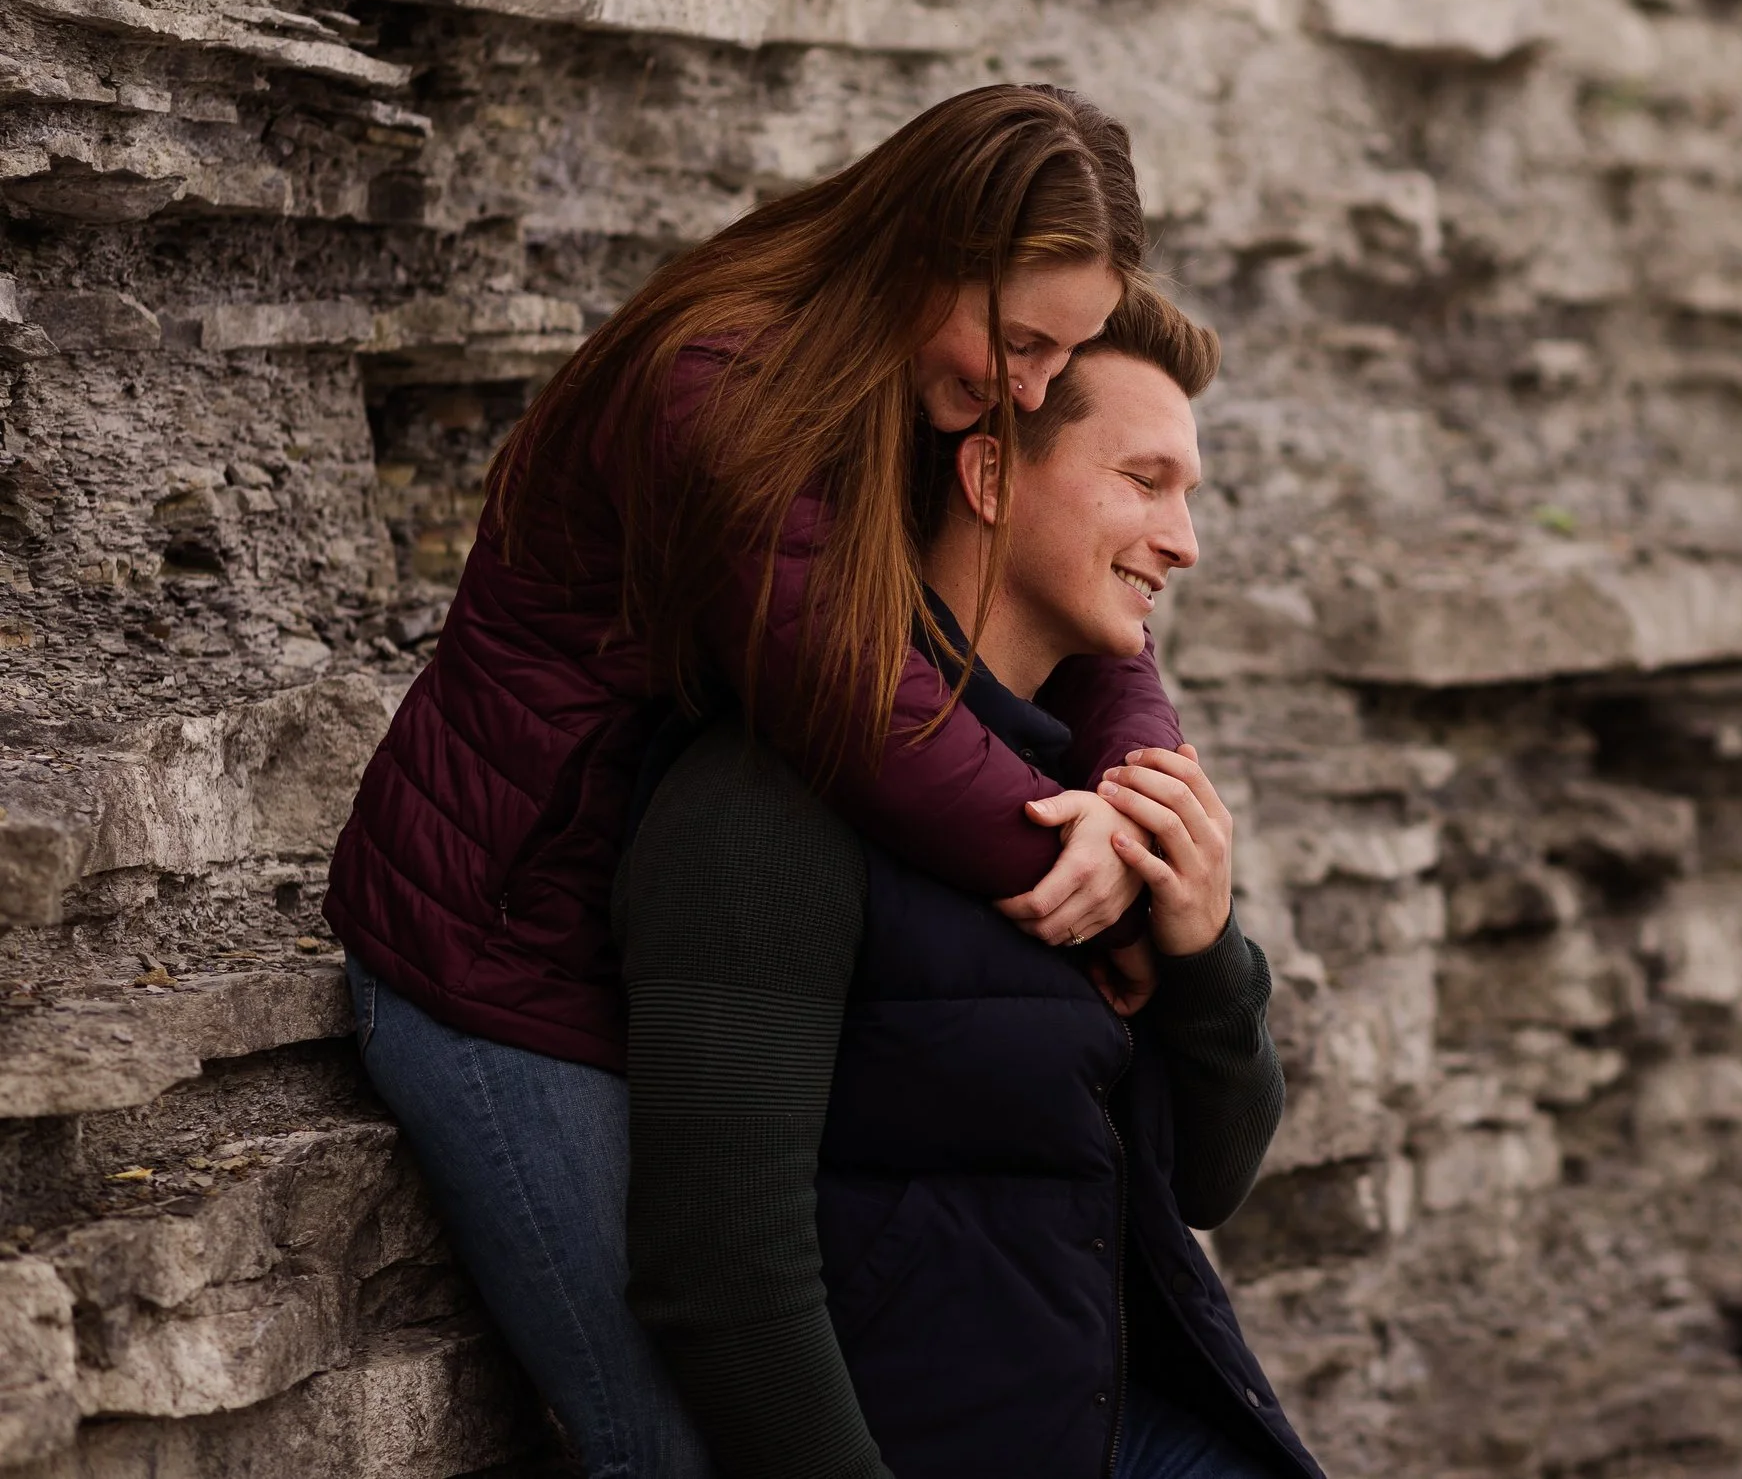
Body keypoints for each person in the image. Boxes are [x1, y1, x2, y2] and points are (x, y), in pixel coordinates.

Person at [327, 85, 1186, 1477]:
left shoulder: (919, 366)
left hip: (669, 945)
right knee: (670, 1432)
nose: (1032, 387)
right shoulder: (718, 384)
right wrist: (1080, 870)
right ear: (928, 249)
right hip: (497, 970)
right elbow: (864, 707)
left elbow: (1065, 595)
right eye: (1022, 340)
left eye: (1064, 352)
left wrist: (1145, 791)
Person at [618, 290, 1325, 1479]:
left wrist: (1207, 950)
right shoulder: (766, 801)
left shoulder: (1094, 788)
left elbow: (1210, 1176)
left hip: (1136, 1425)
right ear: (989, 477)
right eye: (1144, 481)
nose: (1184, 539)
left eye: (1188, 492)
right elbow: (720, 1263)